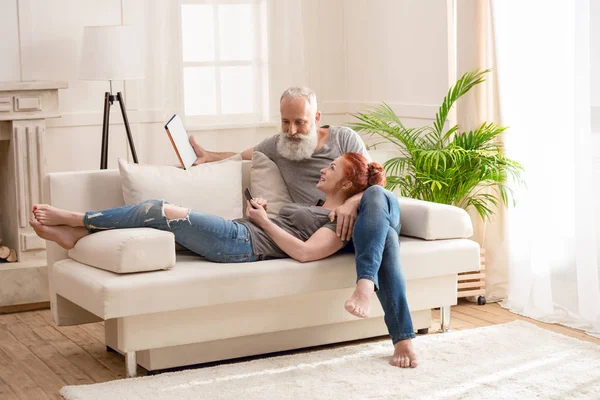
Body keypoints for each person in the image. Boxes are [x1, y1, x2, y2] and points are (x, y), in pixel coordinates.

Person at [188, 87, 417, 368]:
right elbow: (242, 154)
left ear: (317, 117)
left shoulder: (344, 138)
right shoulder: (280, 145)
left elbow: (374, 181)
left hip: (373, 214)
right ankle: (402, 338)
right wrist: (209, 156)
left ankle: (366, 284)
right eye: (286, 122)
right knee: (388, 242)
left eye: (300, 122)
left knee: (375, 200)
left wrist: (350, 204)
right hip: (337, 232)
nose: (292, 130)